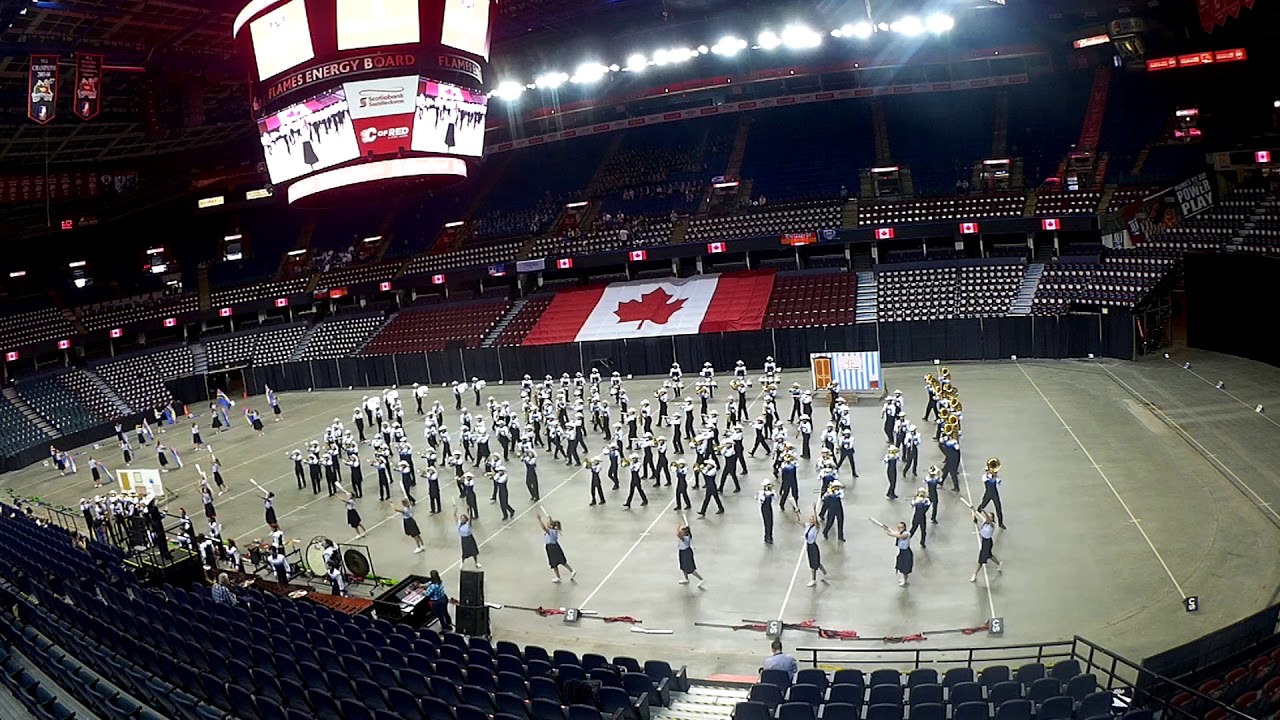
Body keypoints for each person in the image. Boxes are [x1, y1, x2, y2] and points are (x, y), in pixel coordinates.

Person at [537, 513, 576, 583]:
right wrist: (550, 518)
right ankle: (572, 571)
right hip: (556, 547)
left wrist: (539, 520)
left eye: (548, 523)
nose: (547, 524)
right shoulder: (555, 530)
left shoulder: (550, 531)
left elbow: (543, 528)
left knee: (553, 563)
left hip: (551, 548)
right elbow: (551, 524)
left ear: (551, 526)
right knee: (562, 561)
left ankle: (558, 577)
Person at [969, 507, 1003, 583]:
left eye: (990, 517)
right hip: (984, 541)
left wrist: (984, 512)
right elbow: (977, 518)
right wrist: (973, 511)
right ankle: (999, 563)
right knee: (989, 556)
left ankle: (975, 575)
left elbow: (987, 518)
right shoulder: (985, 522)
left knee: (981, 560)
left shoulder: (992, 525)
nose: (988, 518)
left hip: (988, 543)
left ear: (992, 519)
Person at [883, 521, 913, 587]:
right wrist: (887, 529)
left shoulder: (906, 533)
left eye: (901, 527)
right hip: (901, 551)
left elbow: (901, 536)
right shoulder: (899, 532)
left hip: (906, 552)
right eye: (899, 527)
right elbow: (895, 532)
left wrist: (891, 534)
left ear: (904, 527)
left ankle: (904, 580)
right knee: (901, 565)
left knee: (905, 566)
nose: (900, 528)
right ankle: (904, 578)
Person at [803, 513, 828, 587]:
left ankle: (813, 580)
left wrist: (814, 510)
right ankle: (823, 571)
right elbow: (801, 523)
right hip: (808, 546)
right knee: (814, 562)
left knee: (813, 565)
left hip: (813, 546)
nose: (811, 520)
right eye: (810, 519)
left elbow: (817, 523)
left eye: (813, 519)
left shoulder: (816, 528)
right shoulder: (808, 526)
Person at [676, 523, 704, 588]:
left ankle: (701, 579)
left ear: (685, 533)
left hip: (686, 553)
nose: (681, 532)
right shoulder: (686, 535)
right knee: (682, 566)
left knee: (690, 569)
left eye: (682, 531)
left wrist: (677, 527)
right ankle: (686, 579)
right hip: (682, 551)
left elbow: (677, 534)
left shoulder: (685, 537)